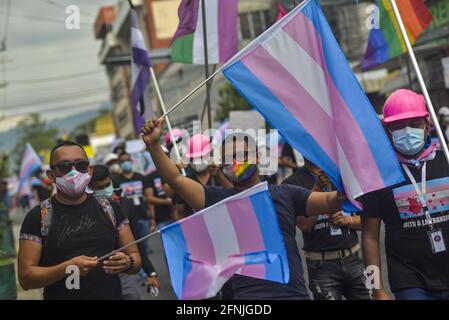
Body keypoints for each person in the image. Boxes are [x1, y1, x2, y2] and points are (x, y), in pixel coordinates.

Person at [141, 119, 346, 300]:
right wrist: (153, 146)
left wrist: (346, 180)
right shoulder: (218, 200)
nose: (237, 162)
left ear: (257, 156)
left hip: (293, 294)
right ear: (222, 166)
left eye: (243, 155)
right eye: (230, 159)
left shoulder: (286, 193)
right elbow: (176, 180)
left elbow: (330, 201)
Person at [18, 141, 141, 300]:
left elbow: (135, 259)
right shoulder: (38, 217)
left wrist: (127, 262)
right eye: (64, 167)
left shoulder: (110, 208)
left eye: (80, 165)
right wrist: (66, 268)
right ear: (51, 175)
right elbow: (25, 278)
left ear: (89, 171)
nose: (73, 172)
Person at [360, 89, 449, 300]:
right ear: (387, 130)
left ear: (427, 125)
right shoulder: (378, 174)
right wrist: (375, 289)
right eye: (398, 126)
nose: (407, 131)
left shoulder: (446, 158)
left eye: (414, 124)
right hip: (409, 281)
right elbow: (370, 237)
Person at [283, 158, 371, 300]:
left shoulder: (344, 176)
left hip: (354, 260)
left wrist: (347, 220)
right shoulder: (292, 184)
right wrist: (317, 189)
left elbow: (368, 222)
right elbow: (305, 225)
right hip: (321, 266)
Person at [90, 164, 159, 300]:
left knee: (131, 295)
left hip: (124, 266)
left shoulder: (125, 204)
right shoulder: (88, 208)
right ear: (90, 187)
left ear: (111, 180)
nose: (104, 190)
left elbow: (136, 241)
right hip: (96, 271)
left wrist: (151, 272)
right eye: (99, 188)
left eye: (106, 185)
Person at [171, 134, 232, 219]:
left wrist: (218, 175)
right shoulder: (185, 182)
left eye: (200, 157)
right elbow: (179, 212)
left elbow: (233, 193)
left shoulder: (222, 174)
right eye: (193, 158)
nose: (197, 161)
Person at [113, 152, 152, 252]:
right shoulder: (116, 180)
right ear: (119, 163)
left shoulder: (141, 177)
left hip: (142, 213)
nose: (126, 163)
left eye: (127, 160)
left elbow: (149, 198)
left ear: (131, 161)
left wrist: (152, 216)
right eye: (123, 161)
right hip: (127, 215)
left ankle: (144, 248)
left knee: (144, 235)